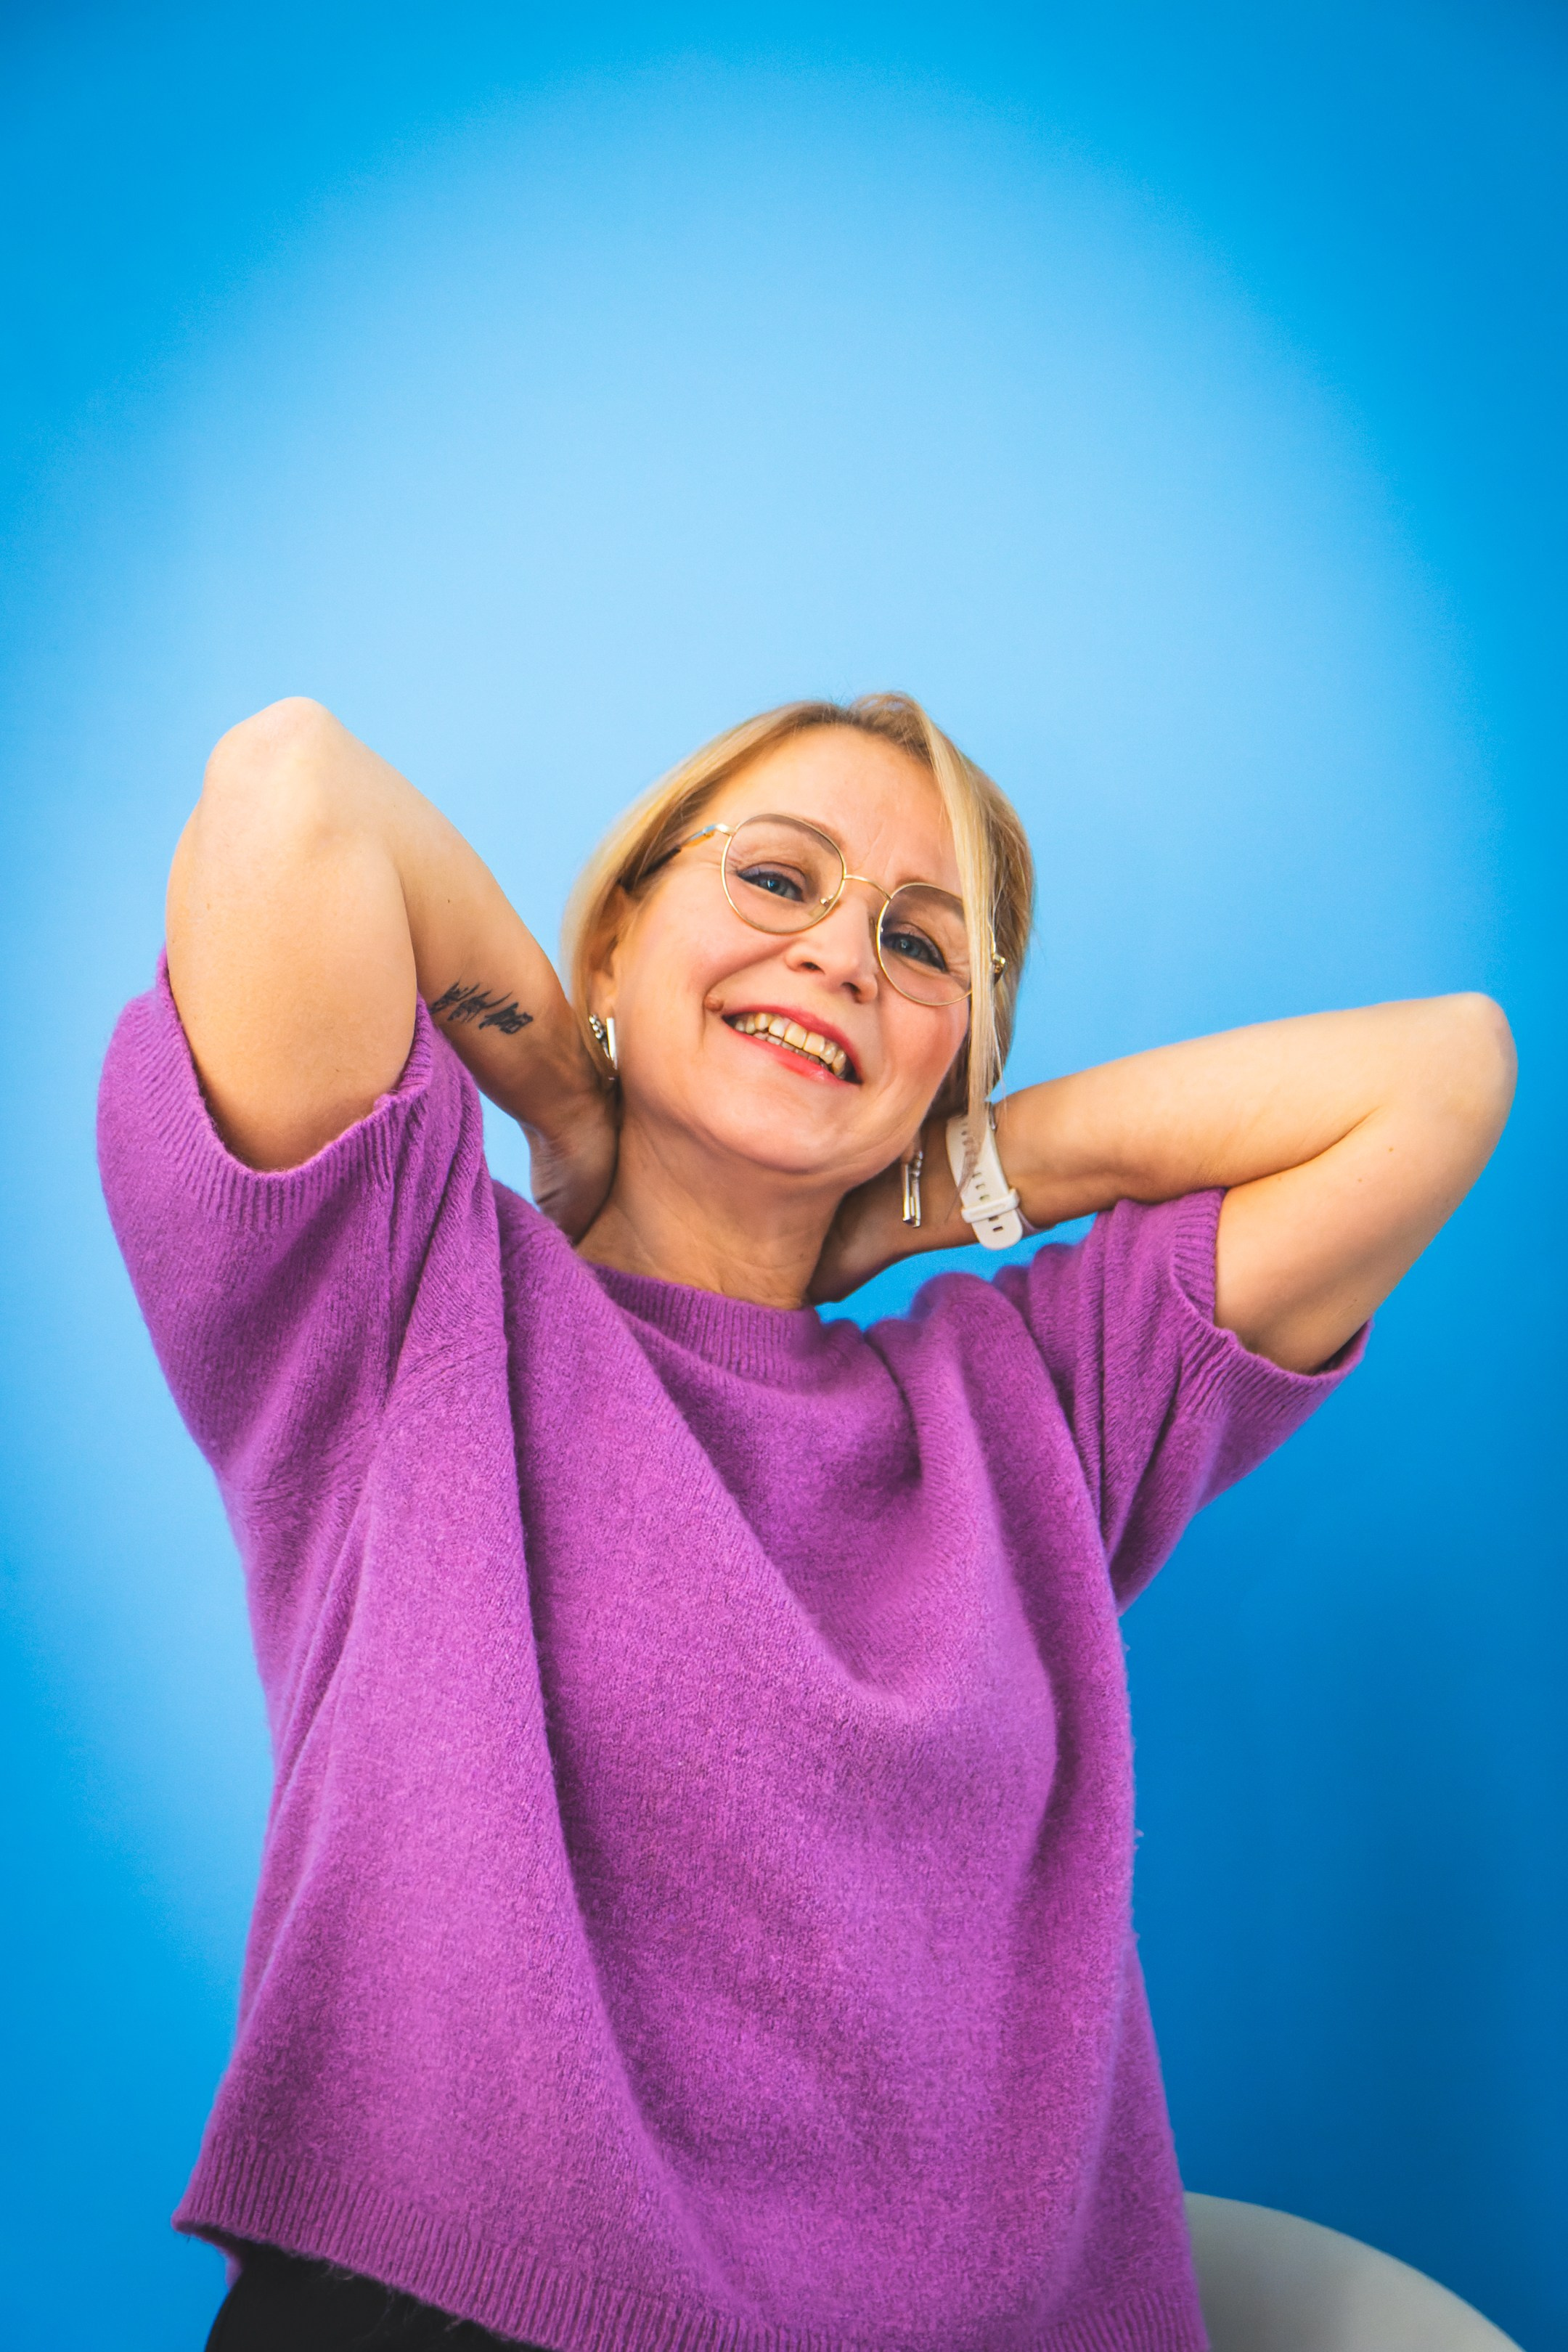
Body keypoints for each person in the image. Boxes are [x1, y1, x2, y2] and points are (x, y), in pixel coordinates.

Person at [99, 691, 1514, 2352]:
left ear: (952, 1064)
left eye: (926, 949)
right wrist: (566, 1097)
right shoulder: (402, 1292)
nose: (847, 954)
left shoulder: (1030, 1409)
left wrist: (941, 1186)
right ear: (614, 943)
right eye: (778, 882)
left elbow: (1442, 1076)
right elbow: (292, 787)